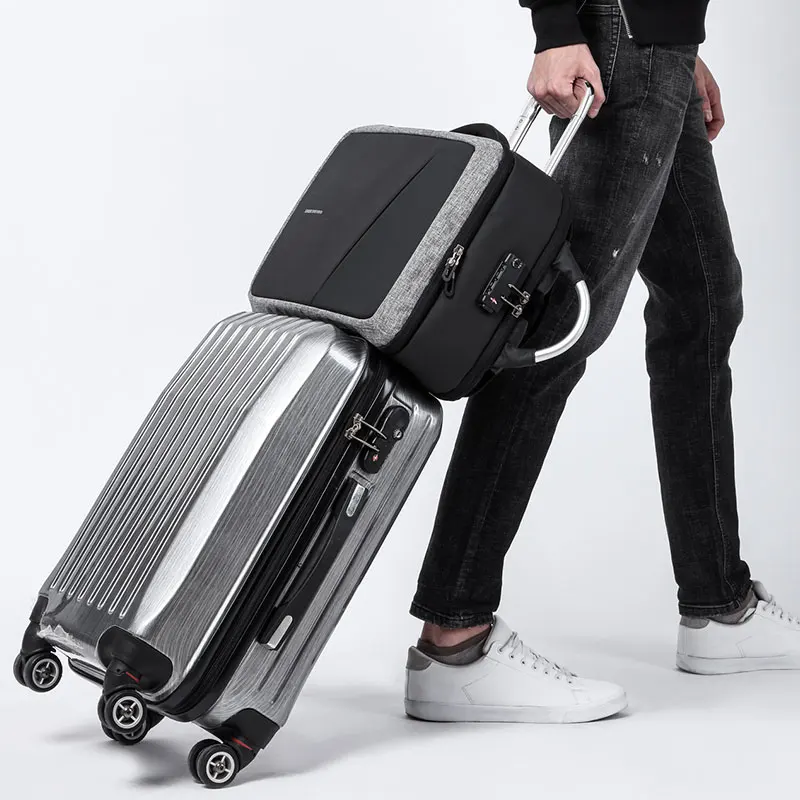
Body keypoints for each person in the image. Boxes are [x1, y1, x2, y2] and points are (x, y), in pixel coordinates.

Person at [404, 0, 800, 724]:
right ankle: (453, 638)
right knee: (555, 327)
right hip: (624, 44)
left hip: (654, 44)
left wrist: (677, 42)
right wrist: (556, 27)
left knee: (704, 302)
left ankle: (719, 608)